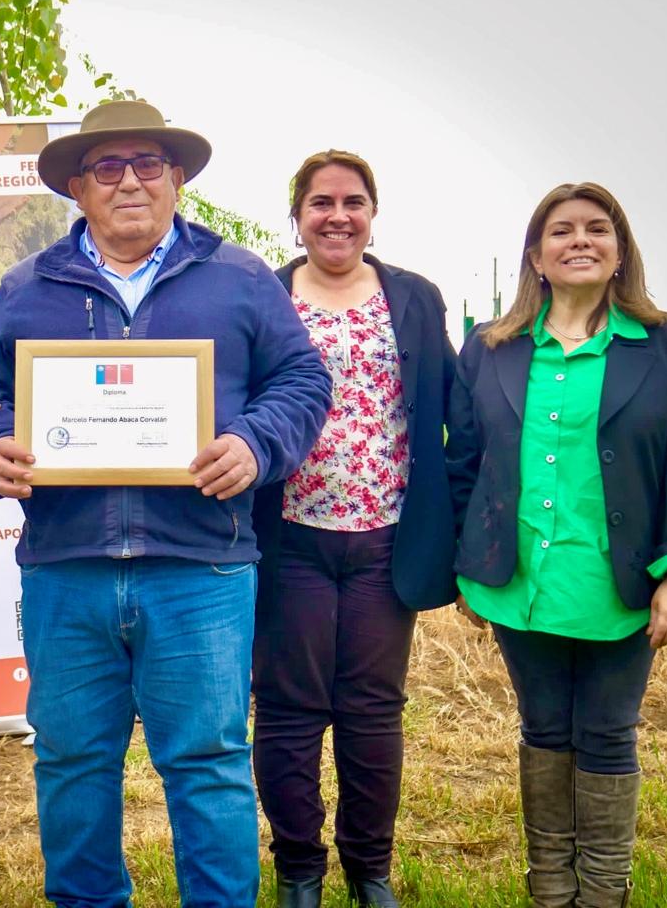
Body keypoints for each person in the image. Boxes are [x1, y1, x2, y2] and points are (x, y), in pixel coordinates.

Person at [0, 99, 333, 908]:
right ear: (78, 189)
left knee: (207, 765)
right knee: (70, 763)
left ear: (176, 179)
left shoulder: (239, 277)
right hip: (67, 571)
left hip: (201, 570)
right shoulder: (26, 287)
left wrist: (257, 443)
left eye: (148, 165)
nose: (130, 181)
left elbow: (304, 380)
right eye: (107, 167)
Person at [446, 182, 667, 908]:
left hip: (620, 585)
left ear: (620, 250)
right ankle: (549, 892)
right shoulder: (491, 351)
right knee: (542, 729)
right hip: (519, 580)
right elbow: (463, 465)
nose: (579, 241)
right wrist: (469, 567)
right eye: (561, 231)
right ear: (536, 255)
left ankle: (601, 895)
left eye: (597, 229)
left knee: (604, 734)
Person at [250, 150, 457, 908]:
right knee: (289, 707)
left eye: (354, 201)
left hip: (384, 539)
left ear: (373, 212)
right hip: (289, 538)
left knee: (372, 709)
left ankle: (370, 868)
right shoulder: (263, 296)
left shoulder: (413, 297)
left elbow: (450, 411)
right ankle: (299, 868)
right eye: (321, 202)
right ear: (297, 215)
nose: (337, 216)